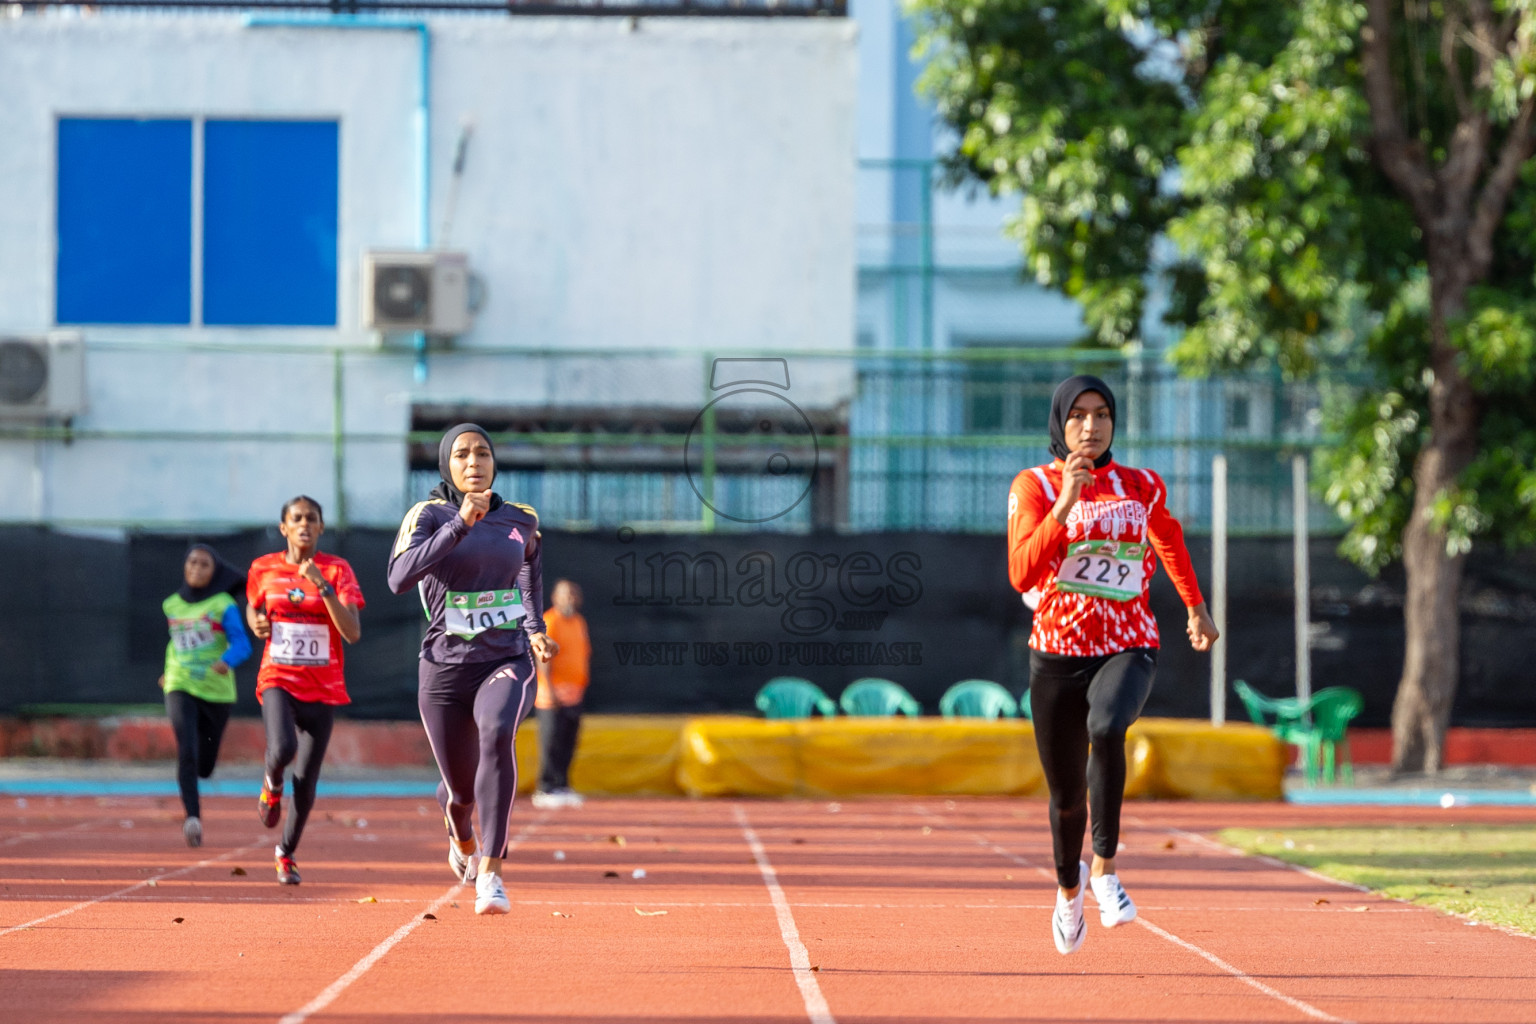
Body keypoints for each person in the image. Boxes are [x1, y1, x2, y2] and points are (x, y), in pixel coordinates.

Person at [1007, 375, 1218, 955]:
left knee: (1108, 726)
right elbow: (1021, 572)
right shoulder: (1032, 486)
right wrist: (1066, 503)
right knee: (1066, 797)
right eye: (1077, 416)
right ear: (1059, 423)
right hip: (1055, 651)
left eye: (1101, 415)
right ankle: (1069, 891)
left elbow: (1168, 539)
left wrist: (1196, 609)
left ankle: (1104, 868)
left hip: (1128, 641)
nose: (1091, 427)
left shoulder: (1140, 484)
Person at [388, 424, 557, 916]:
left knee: (498, 732)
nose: (474, 462)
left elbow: (530, 568)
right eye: (461, 454)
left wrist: (534, 626)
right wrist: (459, 524)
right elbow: (399, 578)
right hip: (443, 667)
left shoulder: (520, 519)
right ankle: (459, 829)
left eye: (483, 453)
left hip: (505, 658)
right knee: (460, 791)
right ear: (447, 465)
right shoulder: (428, 515)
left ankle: (492, 871)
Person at [246, 496, 364, 886]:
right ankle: (270, 783)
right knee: (281, 750)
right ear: (284, 527)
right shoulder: (263, 568)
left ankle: (285, 853)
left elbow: (352, 632)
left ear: (321, 528)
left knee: (307, 782)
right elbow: (253, 606)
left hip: (324, 686)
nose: (304, 525)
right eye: (296, 519)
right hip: (278, 676)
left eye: (311, 519)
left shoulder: (337, 570)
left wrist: (323, 587)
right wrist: (256, 622)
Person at [160, 543, 251, 848]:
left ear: (216, 572)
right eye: (192, 563)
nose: (196, 569)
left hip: (216, 690)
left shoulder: (223, 604)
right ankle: (192, 819)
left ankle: (201, 773)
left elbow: (243, 644)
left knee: (205, 765)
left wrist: (227, 661)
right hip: (180, 683)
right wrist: (167, 672)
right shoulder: (171, 604)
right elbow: (175, 644)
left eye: (204, 564)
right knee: (186, 749)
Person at [532, 580, 590, 809]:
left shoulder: (578, 622)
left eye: (574, 594)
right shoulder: (550, 620)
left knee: (568, 742)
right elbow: (543, 657)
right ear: (556, 597)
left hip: (574, 694)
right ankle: (545, 787)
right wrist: (550, 688)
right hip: (551, 695)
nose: (571, 598)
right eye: (566, 594)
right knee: (550, 742)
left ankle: (563, 785)